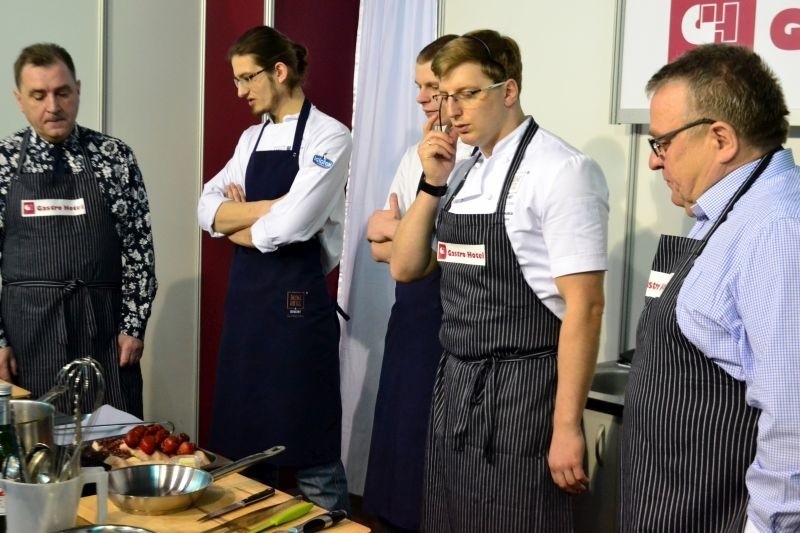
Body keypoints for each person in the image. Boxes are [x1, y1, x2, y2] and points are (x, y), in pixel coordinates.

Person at [390, 30, 609, 531]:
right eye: (446, 97)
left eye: (469, 94)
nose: (452, 111)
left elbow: (586, 307)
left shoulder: (563, 170)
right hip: (455, 385)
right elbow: (406, 267)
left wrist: (567, 425)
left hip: (523, 394)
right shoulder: (464, 171)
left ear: (508, 91)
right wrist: (431, 183)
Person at [620, 44, 800, 531]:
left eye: (661, 143)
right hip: (666, 501)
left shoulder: (777, 228)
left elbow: (791, 417)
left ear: (720, 138)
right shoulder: (721, 213)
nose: (655, 163)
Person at [197, 26, 351, 511]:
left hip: (298, 316)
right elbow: (205, 209)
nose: (239, 91)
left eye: (247, 78)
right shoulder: (249, 138)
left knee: (313, 454)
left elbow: (293, 227)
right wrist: (271, 206)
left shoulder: (331, 136)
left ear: (279, 72)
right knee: (246, 452)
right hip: (247, 314)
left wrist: (241, 223)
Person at [0, 43, 156, 418]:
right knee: (37, 455)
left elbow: (139, 250)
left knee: (116, 449)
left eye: (62, 92)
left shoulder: (114, 158)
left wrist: (133, 327)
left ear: (78, 90)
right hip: (27, 339)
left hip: (103, 333)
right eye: (39, 95)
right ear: (19, 99)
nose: (52, 106)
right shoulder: (3, 162)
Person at [362, 34, 475, 533]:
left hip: (451, 317)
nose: (422, 99)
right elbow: (381, 241)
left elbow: (416, 247)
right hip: (408, 315)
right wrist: (404, 240)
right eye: (420, 87)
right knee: (400, 438)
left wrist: (408, 241)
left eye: (431, 87)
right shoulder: (417, 154)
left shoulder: (478, 156)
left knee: (436, 449)